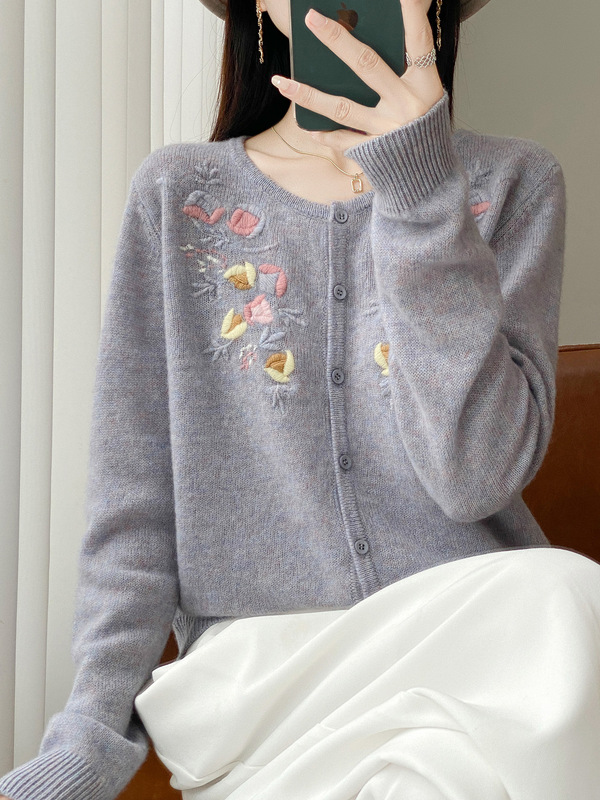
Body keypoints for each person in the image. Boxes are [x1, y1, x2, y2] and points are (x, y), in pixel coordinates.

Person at [2, 0, 600, 798]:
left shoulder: (512, 183)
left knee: (566, 596)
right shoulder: (178, 194)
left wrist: (422, 191)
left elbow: (476, 477)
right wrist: (88, 737)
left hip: (473, 651)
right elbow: (135, 508)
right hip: (261, 681)